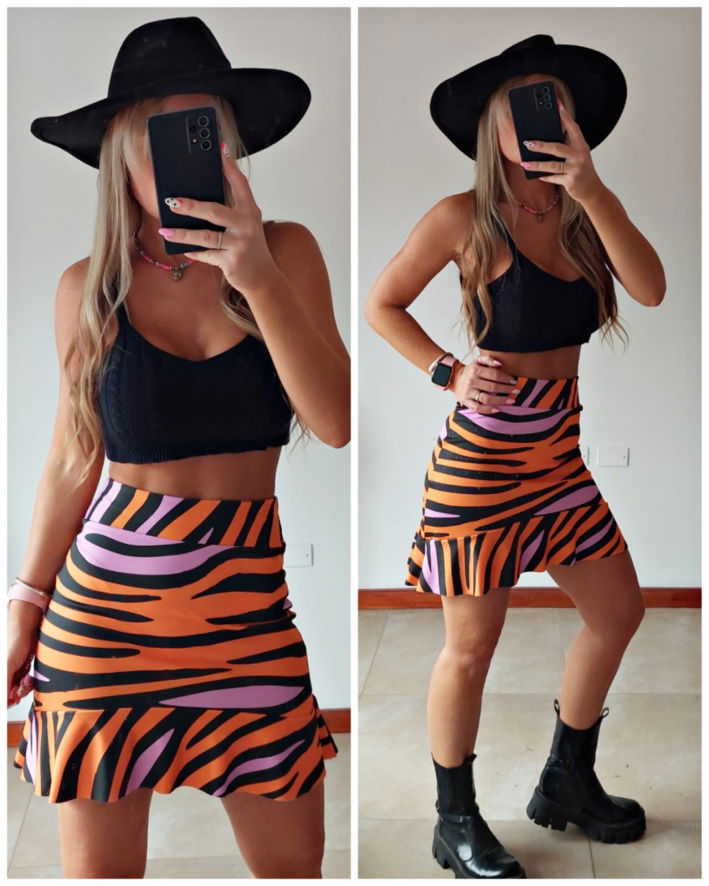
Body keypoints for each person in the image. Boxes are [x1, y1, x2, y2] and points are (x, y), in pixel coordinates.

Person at [7, 15, 350, 879]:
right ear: (121, 156)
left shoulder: (286, 254)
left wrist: (255, 277)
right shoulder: (89, 289)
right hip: (103, 627)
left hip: (246, 619)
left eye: (205, 134)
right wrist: (24, 601)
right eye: (161, 138)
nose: (186, 158)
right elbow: (71, 459)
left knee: (292, 871)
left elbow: (336, 420)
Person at [365, 34, 664, 879]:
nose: (541, 120)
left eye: (554, 104)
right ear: (491, 128)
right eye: (524, 108)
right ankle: (453, 821)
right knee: (470, 647)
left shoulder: (581, 210)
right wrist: (447, 371)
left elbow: (650, 288)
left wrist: (591, 189)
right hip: (483, 465)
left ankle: (566, 779)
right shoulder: (462, 216)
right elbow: (382, 304)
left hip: (557, 459)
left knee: (617, 613)